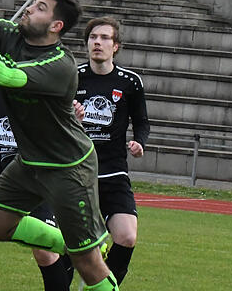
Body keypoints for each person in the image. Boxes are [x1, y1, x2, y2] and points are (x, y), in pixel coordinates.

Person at [0, 0, 119, 290]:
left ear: (56, 26)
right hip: (29, 163)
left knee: (88, 265)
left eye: (40, 8)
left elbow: (4, 76)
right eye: (32, 4)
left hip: (68, 170)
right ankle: (70, 243)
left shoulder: (60, 64)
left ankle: (82, 251)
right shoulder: (13, 33)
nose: (28, 9)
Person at [0, 75, 75, 291]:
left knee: (45, 252)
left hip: (37, 183)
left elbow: (63, 138)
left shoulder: (44, 86)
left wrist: (73, 120)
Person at [76, 17, 149, 286]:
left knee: (127, 237)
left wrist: (139, 142)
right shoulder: (73, 76)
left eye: (105, 38)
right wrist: (73, 118)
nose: (98, 42)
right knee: (67, 245)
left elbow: (142, 121)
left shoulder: (131, 82)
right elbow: (54, 121)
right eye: (93, 37)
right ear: (86, 44)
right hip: (78, 173)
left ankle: (106, 286)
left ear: (115, 46)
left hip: (115, 171)